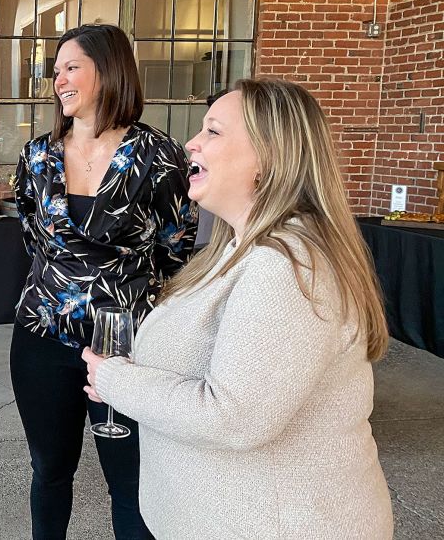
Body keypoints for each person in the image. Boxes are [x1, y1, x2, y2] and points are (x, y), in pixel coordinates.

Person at [83, 79, 394, 539]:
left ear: (269, 157)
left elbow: (235, 416)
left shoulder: (287, 264)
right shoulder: (237, 248)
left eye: (213, 131)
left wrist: (114, 380)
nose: (192, 142)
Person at [11, 24, 197, 540]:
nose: (59, 81)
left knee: (129, 481)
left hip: (126, 344)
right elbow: (34, 237)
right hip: (41, 333)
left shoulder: (160, 155)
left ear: (109, 70)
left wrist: (126, 297)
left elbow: (176, 247)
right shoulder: (37, 155)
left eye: (71, 68)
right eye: (56, 72)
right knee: (49, 471)